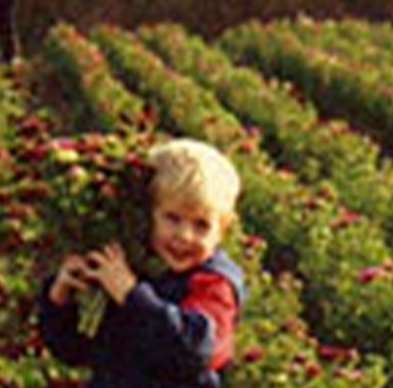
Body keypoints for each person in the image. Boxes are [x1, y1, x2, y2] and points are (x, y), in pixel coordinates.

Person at [38, 139, 245, 388]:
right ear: (148, 215)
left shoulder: (212, 285)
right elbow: (77, 351)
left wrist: (131, 295)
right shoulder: (136, 266)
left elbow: (196, 352)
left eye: (201, 225)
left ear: (222, 230)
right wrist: (60, 298)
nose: (184, 235)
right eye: (172, 218)